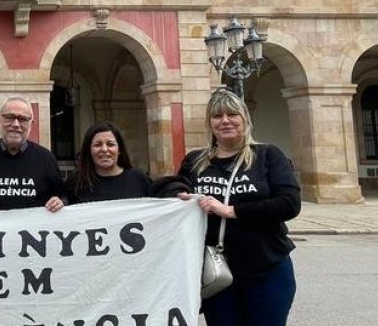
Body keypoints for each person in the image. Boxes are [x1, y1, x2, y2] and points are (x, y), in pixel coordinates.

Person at [178, 88, 301, 326]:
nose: (225, 121)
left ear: (245, 119)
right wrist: (175, 195)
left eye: (232, 114)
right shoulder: (195, 161)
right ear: (209, 124)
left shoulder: (267, 155)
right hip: (216, 273)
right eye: (217, 116)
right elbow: (172, 189)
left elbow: (289, 203)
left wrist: (230, 211)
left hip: (267, 268)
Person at [0, 97, 66, 215]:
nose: (16, 124)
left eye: (23, 119)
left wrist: (59, 203)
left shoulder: (46, 159)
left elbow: (63, 197)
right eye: (9, 117)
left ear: (31, 124)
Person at [67, 120, 193, 203]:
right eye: (97, 145)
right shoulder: (76, 182)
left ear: (119, 149)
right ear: (88, 150)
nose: (104, 149)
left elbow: (158, 199)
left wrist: (177, 194)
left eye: (110, 144)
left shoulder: (137, 178)